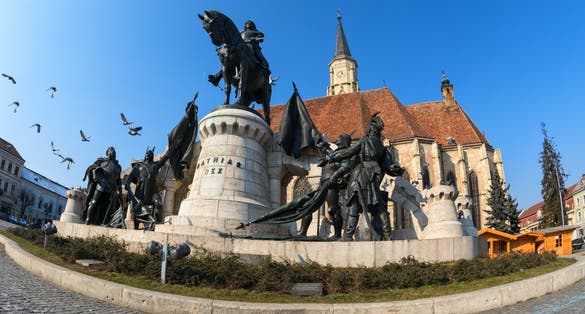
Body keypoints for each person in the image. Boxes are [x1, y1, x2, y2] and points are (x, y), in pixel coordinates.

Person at [328, 113, 404, 241]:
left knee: (355, 204)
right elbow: (389, 167)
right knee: (377, 205)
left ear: (369, 130)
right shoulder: (382, 148)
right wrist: (398, 170)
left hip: (362, 175)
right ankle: (388, 235)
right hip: (375, 175)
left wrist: (333, 156)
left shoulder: (364, 141)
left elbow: (348, 152)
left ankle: (347, 236)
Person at [297, 133, 355, 239]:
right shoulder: (337, 153)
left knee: (332, 209)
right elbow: (329, 152)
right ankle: (302, 232)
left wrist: (334, 177)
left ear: (343, 141)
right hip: (324, 182)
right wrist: (321, 143)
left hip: (332, 183)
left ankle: (337, 234)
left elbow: (345, 167)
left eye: (339, 138)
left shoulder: (346, 153)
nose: (336, 139)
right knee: (308, 206)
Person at [124, 147, 169, 230]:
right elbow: (129, 177)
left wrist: (170, 150)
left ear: (152, 156)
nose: (148, 154)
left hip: (152, 191)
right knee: (137, 209)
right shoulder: (138, 166)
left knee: (158, 203)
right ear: (145, 155)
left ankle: (158, 224)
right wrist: (127, 184)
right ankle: (136, 227)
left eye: (150, 153)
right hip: (141, 190)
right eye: (147, 153)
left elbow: (163, 160)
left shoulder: (155, 165)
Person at [81, 147, 123, 226]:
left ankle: (104, 222)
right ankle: (88, 219)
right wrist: (96, 172)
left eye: (114, 152)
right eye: (111, 151)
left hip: (111, 188)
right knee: (93, 202)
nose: (113, 152)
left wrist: (119, 190)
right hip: (101, 186)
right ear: (107, 153)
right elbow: (94, 172)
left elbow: (118, 180)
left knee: (108, 206)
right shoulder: (102, 162)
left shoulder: (118, 167)